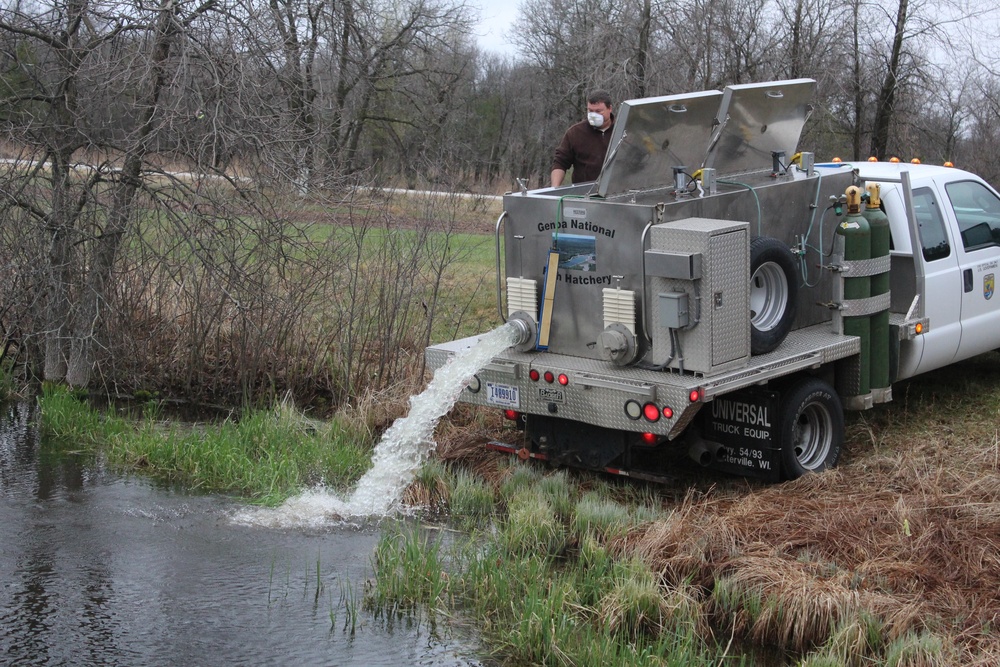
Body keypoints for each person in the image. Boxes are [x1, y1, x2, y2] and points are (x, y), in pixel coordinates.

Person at [550, 90, 615, 187]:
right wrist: (554, 189)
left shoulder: (623, 131)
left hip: (618, 192)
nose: (593, 115)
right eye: (590, 111)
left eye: (598, 111)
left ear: (609, 109)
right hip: (583, 195)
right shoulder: (575, 133)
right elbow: (560, 162)